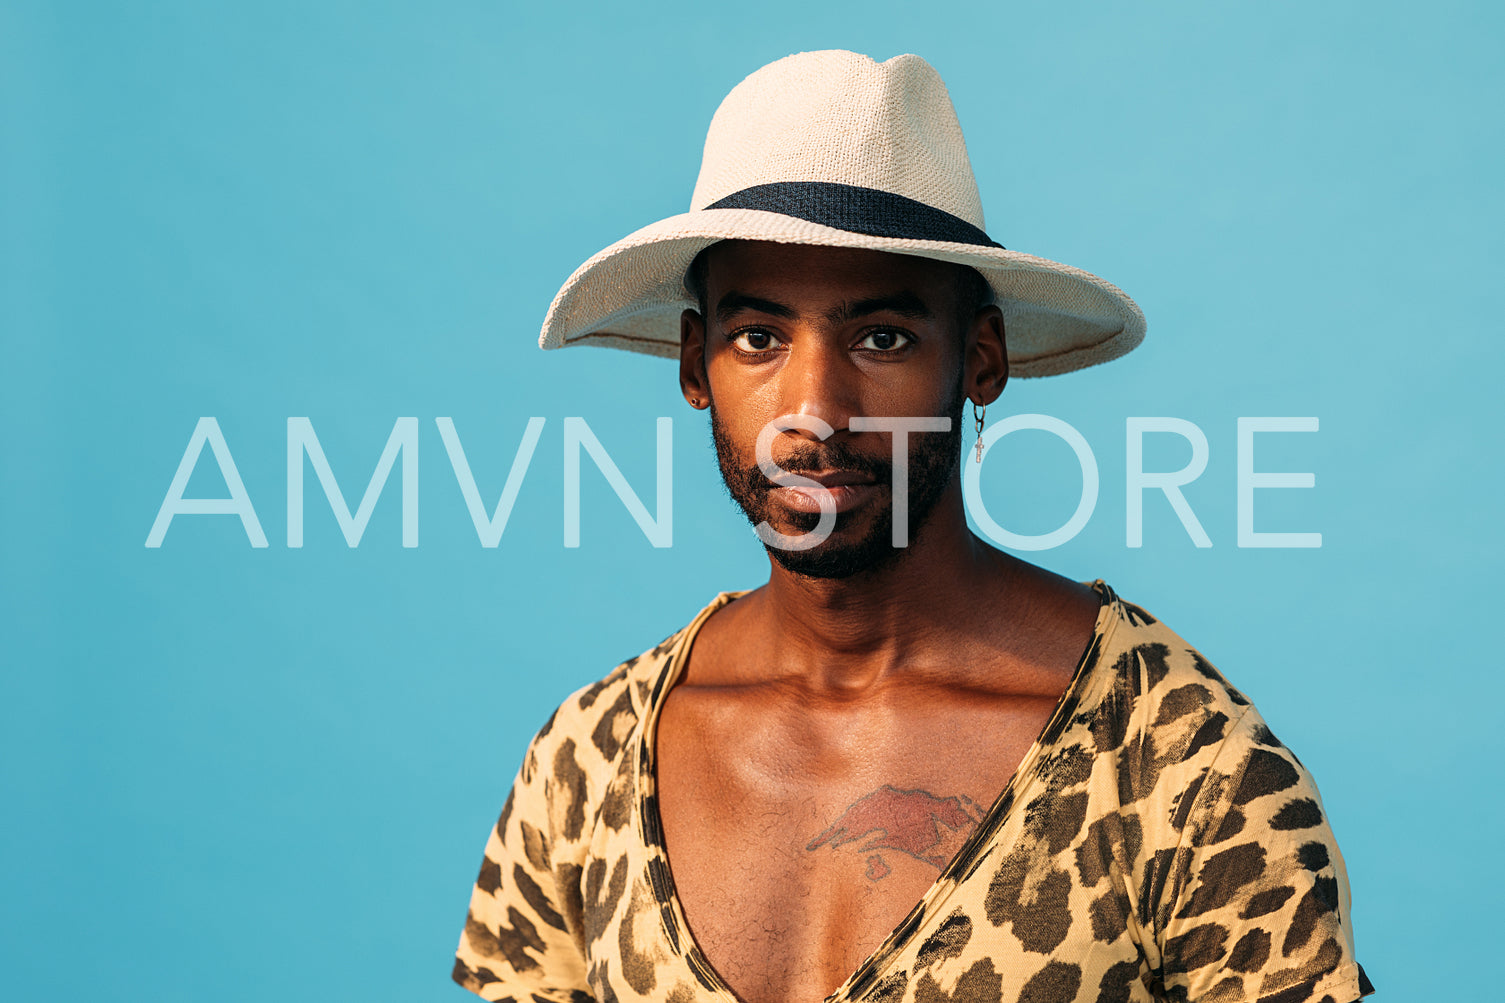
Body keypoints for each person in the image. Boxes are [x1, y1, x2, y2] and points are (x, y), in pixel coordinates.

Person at [451, 50, 1373, 1003]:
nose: (813, 407)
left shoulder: (1175, 761)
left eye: (880, 337)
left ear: (979, 361)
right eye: (757, 338)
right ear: (696, 365)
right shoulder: (587, 762)